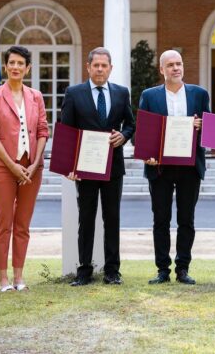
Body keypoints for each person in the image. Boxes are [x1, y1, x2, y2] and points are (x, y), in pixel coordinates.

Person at [61, 47, 135, 286]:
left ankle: (112, 271)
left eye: (104, 65)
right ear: (89, 67)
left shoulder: (122, 93)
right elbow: (67, 132)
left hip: (113, 166)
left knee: (112, 218)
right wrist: (69, 166)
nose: (100, 69)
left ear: (110, 68)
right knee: (87, 218)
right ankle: (84, 271)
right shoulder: (74, 93)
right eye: (96, 65)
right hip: (85, 167)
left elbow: (131, 125)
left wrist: (123, 136)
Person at [139, 50, 210, 285]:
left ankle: (183, 268)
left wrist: (202, 125)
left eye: (179, 63)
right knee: (160, 219)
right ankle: (162, 269)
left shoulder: (199, 94)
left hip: (190, 167)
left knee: (186, 219)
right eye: (170, 65)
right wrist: (147, 155)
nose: (176, 68)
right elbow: (144, 129)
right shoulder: (149, 96)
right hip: (160, 167)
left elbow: (211, 128)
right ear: (162, 70)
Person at [0, 46, 48, 292]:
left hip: (31, 168)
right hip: (1, 167)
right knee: (4, 224)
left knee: (23, 224)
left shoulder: (36, 96)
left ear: (28, 68)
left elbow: (44, 130)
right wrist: (12, 165)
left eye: (20, 63)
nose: (15, 67)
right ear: (5, 66)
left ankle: (19, 277)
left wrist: (34, 164)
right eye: (11, 62)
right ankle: (3, 279)